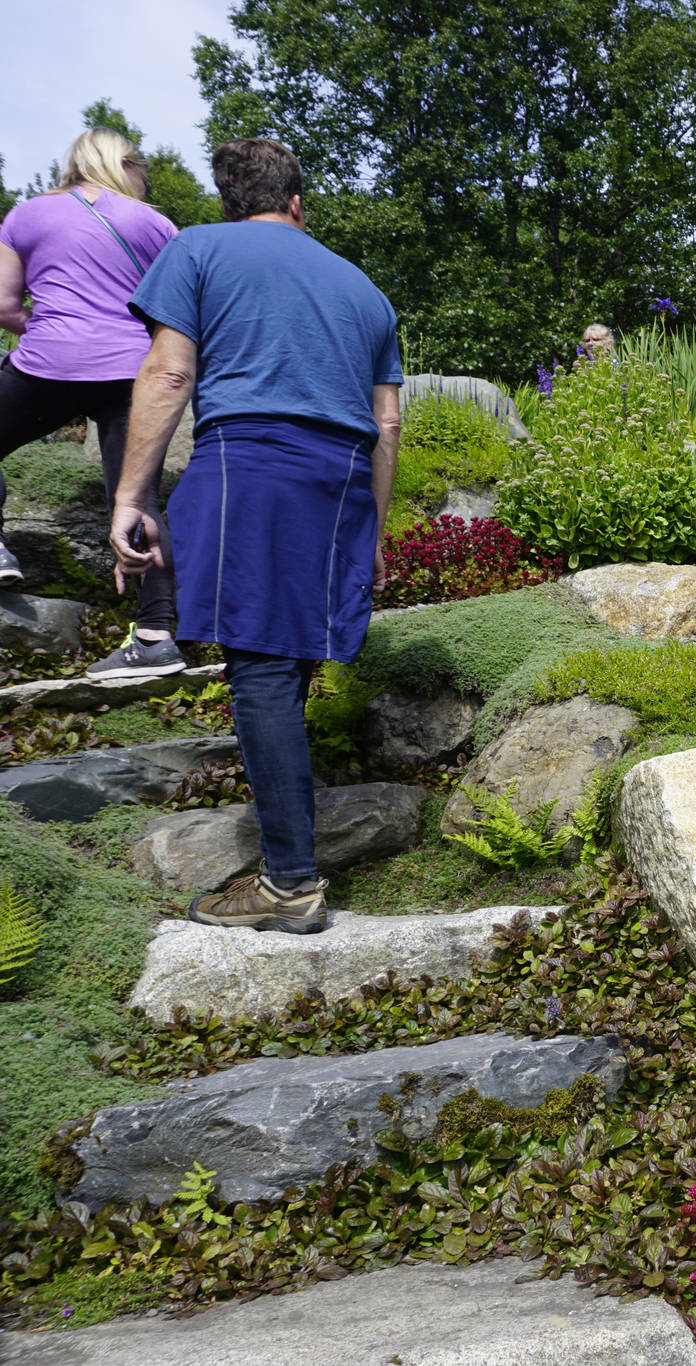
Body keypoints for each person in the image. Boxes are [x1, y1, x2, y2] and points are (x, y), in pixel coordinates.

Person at [112, 138, 401, 933]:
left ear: (230, 200)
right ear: (298, 204)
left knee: (260, 663)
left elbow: (169, 373)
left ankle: (290, 882)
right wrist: (373, 526)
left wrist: (132, 495)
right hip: (341, 476)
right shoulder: (365, 289)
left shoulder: (199, 247)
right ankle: (291, 849)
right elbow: (387, 421)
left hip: (254, 460)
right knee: (293, 650)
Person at [0, 128, 185, 677]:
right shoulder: (155, 224)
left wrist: (58, 326)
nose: (143, 179)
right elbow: (175, 312)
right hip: (133, 373)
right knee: (138, 500)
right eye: (141, 169)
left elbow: (6, 307)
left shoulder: (26, 215)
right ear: (122, 164)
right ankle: (156, 636)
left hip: (47, 365)